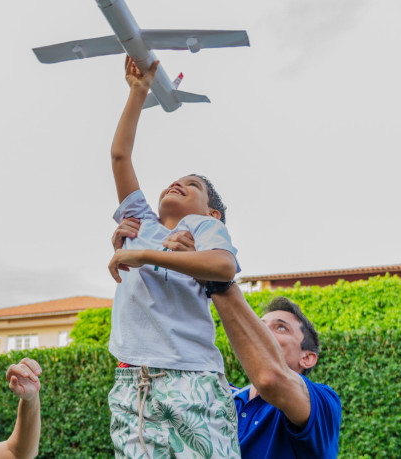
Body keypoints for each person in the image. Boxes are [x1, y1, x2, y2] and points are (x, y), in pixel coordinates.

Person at [105, 56, 241, 459]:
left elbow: (223, 266)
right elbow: (119, 157)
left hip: (192, 376)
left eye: (192, 184)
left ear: (211, 211)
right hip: (132, 381)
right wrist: (137, 92)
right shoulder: (139, 222)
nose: (177, 183)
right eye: (174, 181)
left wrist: (145, 255)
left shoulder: (204, 230)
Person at [114, 219, 342, 458]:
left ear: (307, 357)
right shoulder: (217, 395)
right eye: (260, 325)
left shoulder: (324, 403)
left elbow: (271, 378)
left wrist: (214, 278)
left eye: (281, 328)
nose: (263, 332)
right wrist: (137, 252)